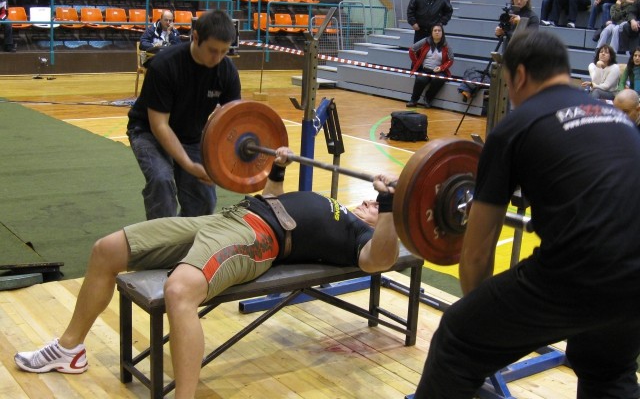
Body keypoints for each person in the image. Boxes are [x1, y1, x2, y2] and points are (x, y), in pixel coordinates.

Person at [14, 147, 401, 399]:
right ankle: (69, 349)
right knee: (107, 249)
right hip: (229, 217)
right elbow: (274, 200)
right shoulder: (337, 207)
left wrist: (388, 204)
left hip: (256, 237)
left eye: (374, 204)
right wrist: (278, 169)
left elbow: (378, 260)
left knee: (179, 290)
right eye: (370, 199)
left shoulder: (360, 233)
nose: (367, 200)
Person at [414, 30, 640, 399]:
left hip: (579, 271)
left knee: (457, 339)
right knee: (608, 370)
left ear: (518, 76)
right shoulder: (619, 119)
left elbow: (476, 253)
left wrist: (480, 323)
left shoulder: (516, 127)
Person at [127, 9, 241, 220]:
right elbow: (159, 126)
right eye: (212, 50)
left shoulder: (226, 71)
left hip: (191, 135)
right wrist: (189, 165)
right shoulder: (164, 65)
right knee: (162, 181)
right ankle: (158, 244)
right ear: (195, 37)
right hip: (148, 132)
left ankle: (183, 242)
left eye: (224, 51)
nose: (218, 58)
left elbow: (235, 120)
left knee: (204, 201)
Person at [406, 23, 454, 108]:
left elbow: (451, 60)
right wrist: (417, 62)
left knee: (439, 79)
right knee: (421, 79)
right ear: (431, 32)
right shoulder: (425, 41)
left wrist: (441, 68)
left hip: (438, 71)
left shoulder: (446, 46)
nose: (437, 32)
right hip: (424, 69)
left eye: (439, 30)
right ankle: (413, 100)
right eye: (435, 30)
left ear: (442, 33)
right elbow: (412, 50)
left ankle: (428, 99)